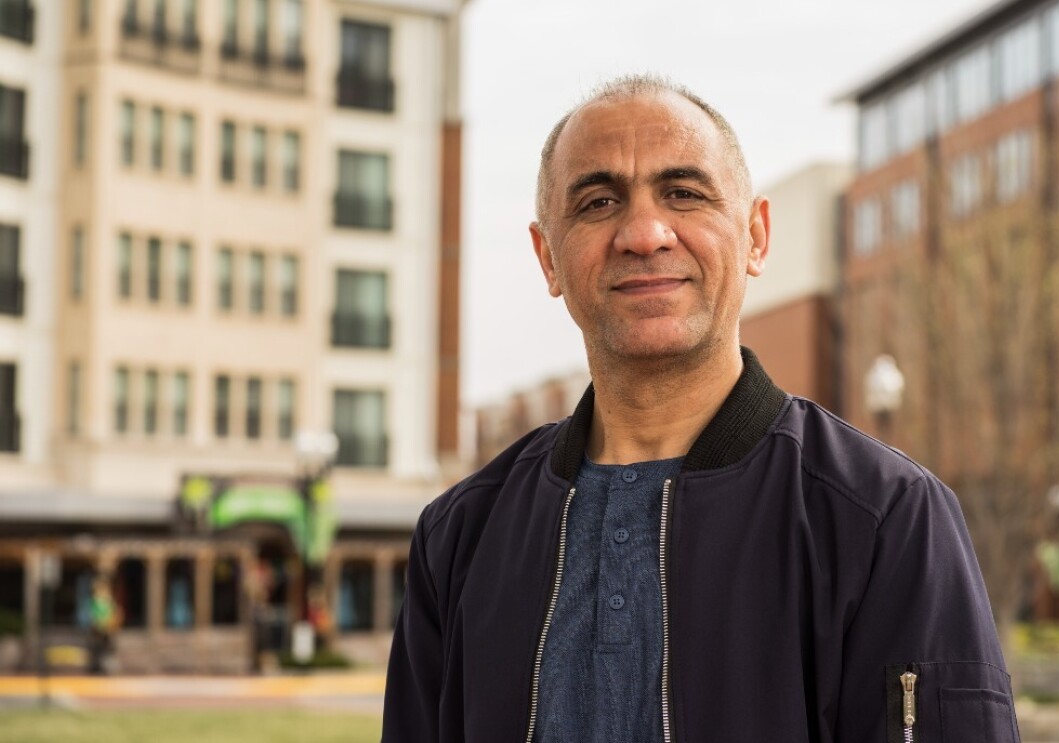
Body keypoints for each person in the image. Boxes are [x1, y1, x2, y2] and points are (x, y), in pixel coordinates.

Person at [383, 74, 1020, 743]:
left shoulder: (885, 518)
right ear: (548, 257)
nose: (645, 232)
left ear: (756, 237)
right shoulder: (460, 537)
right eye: (598, 202)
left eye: (683, 193)